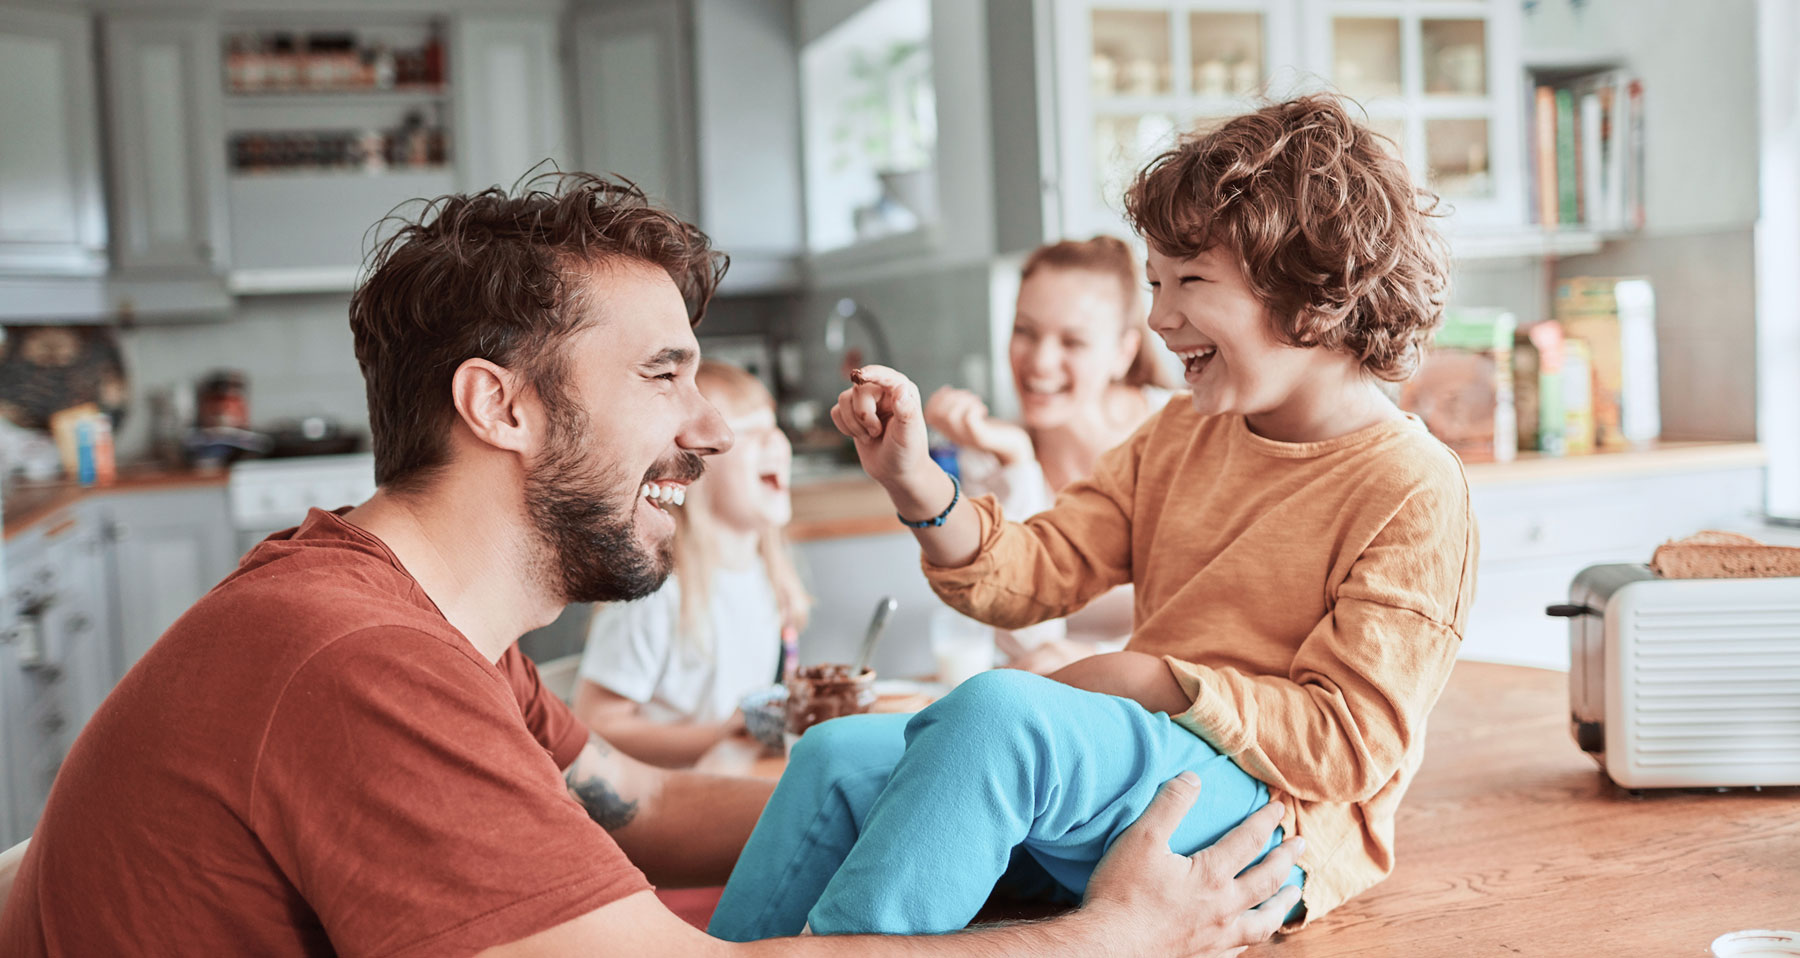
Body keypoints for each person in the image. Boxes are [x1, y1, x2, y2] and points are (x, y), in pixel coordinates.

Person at [0, 173, 1300, 958]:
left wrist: (975, 791)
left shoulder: (424, 631)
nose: (707, 431)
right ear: (499, 406)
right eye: (664, 376)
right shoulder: (358, 665)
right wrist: (1104, 934)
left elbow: (643, 806)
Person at [710, 94, 1474, 940]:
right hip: (1147, 757)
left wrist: (1150, 678)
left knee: (999, 717)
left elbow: (1348, 744)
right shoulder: (1185, 431)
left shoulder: (1412, 487)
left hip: (1276, 815)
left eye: (1190, 281)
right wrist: (916, 481)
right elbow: (1036, 571)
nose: (1159, 317)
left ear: (1309, 292)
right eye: (1154, 282)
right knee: (833, 756)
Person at [924, 235, 1177, 670]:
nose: (1039, 361)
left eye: (1072, 342)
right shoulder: (992, 454)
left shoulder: (1180, 433)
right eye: (1025, 331)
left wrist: (1096, 658)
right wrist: (1019, 463)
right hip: (1051, 693)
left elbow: (1210, 626)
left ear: (1123, 354)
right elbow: (1020, 632)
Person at [573, 360, 809, 768]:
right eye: (749, 432)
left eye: (774, 427)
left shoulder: (765, 576)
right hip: (670, 802)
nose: (775, 443)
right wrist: (718, 736)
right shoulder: (657, 592)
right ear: (693, 465)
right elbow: (595, 723)